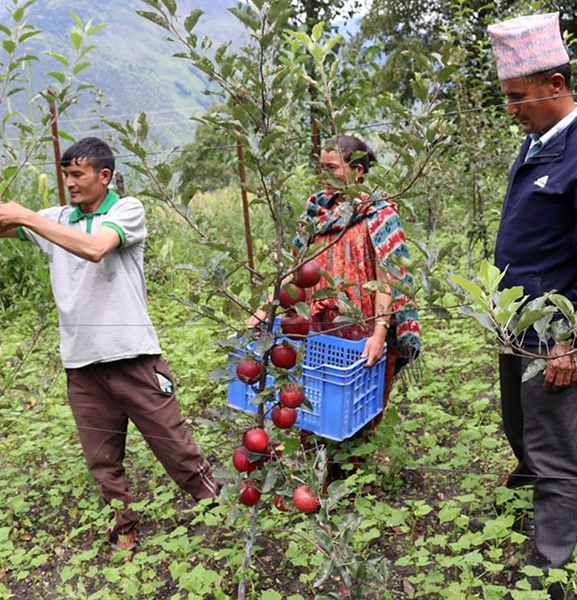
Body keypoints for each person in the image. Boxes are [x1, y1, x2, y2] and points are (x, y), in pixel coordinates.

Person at [0, 137, 219, 555]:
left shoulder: (126, 210)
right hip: (81, 361)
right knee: (102, 458)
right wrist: (18, 219)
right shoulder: (56, 218)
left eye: (77, 174)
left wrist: (27, 215)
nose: (69, 183)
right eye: (65, 175)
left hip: (132, 354)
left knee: (174, 445)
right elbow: (13, 227)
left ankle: (218, 508)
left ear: (104, 176)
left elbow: (96, 248)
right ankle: (124, 528)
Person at [488, 12, 577, 598]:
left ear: (554, 84)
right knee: (519, 423)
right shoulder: (537, 142)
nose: (511, 108)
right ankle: (535, 505)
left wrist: (570, 339)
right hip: (517, 327)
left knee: (554, 444)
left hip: (553, 333)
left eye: (519, 96)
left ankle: (554, 561)